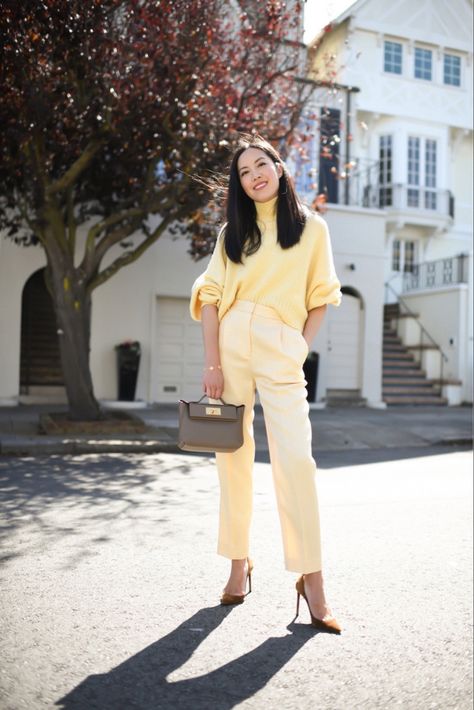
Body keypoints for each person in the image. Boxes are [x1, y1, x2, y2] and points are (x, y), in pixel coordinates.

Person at [189, 134, 343, 633]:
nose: (254, 174)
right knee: (231, 459)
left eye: (261, 164)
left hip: (282, 349)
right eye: (244, 171)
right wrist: (212, 363)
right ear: (239, 184)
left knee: (296, 460)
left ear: (279, 167)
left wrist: (299, 346)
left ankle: (312, 580)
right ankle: (238, 563)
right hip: (231, 346)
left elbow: (321, 295)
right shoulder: (232, 234)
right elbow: (210, 297)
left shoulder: (312, 229)